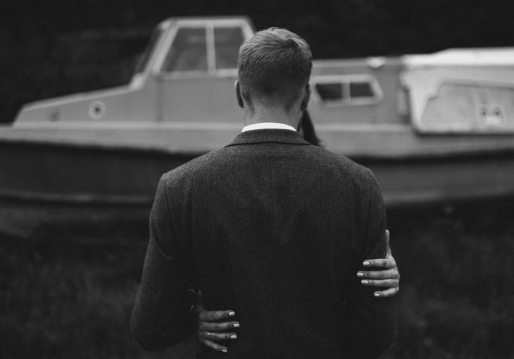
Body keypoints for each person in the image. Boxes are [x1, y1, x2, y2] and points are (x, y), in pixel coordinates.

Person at [131, 27, 397, 358]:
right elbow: (376, 335)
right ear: (307, 94)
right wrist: (379, 290)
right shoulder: (359, 184)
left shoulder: (181, 186)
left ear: (239, 92)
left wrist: (193, 320)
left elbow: (152, 329)